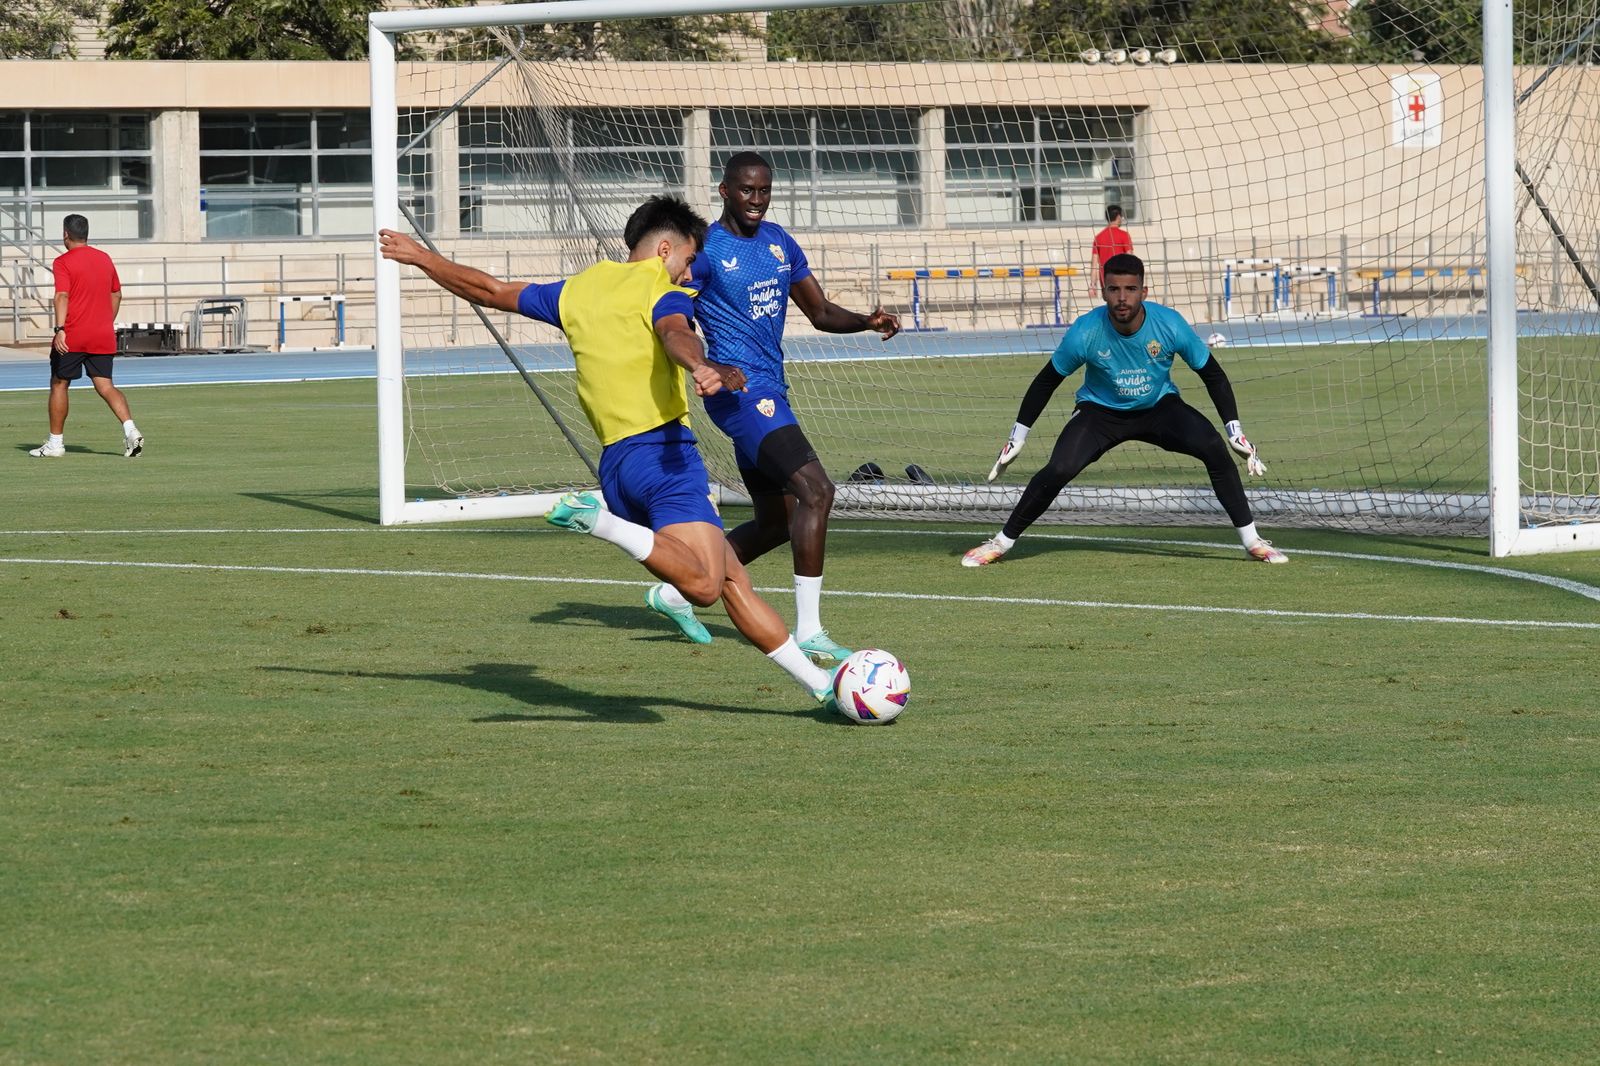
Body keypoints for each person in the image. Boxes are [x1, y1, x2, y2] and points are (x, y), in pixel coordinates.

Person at [378, 196, 844, 710]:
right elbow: (674, 334)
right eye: (688, 260)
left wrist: (423, 257)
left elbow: (489, 289)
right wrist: (700, 364)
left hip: (617, 465)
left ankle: (820, 687)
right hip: (665, 456)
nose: (690, 273)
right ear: (665, 249)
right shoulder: (662, 290)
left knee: (734, 578)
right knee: (708, 586)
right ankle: (600, 522)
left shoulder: (576, 290)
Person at [643, 151, 901, 663]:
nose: (756, 200)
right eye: (746, 190)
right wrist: (709, 365)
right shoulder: (707, 252)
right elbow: (674, 317)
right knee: (817, 490)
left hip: (771, 390)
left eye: (763, 191)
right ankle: (809, 630)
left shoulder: (780, 243)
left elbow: (821, 312)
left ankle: (674, 591)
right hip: (738, 395)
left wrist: (866, 322)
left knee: (775, 522)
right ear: (724, 191)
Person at [963, 253, 1288, 567]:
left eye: (1130, 289)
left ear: (1143, 292)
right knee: (1060, 468)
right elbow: (1046, 381)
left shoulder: (1169, 324)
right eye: (1114, 289)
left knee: (1214, 448)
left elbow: (1212, 375)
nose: (1122, 298)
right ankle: (1001, 542)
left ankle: (1252, 541)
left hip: (1159, 407)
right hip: (1099, 412)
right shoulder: (1086, 331)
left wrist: (1234, 430)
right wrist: (1017, 436)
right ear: (1103, 291)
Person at [30, 214, 144, 458]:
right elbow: (117, 295)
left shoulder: (63, 261)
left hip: (73, 334)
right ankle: (131, 430)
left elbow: (61, 296)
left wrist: (60, 329)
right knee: (105, 385)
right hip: (102, 334)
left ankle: (55, 444)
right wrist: (105, 322)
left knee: (59, 383)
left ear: (65, 234)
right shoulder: (104, 258)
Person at [1090, 204, 1133, 290]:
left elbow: (1094, 264)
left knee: (1109, 302)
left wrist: (1092, 285)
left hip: (1106, 280)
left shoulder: (1098, 237)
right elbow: (1130, 259)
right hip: (1121, 279)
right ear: (1118, 217)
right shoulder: (1124, 236)